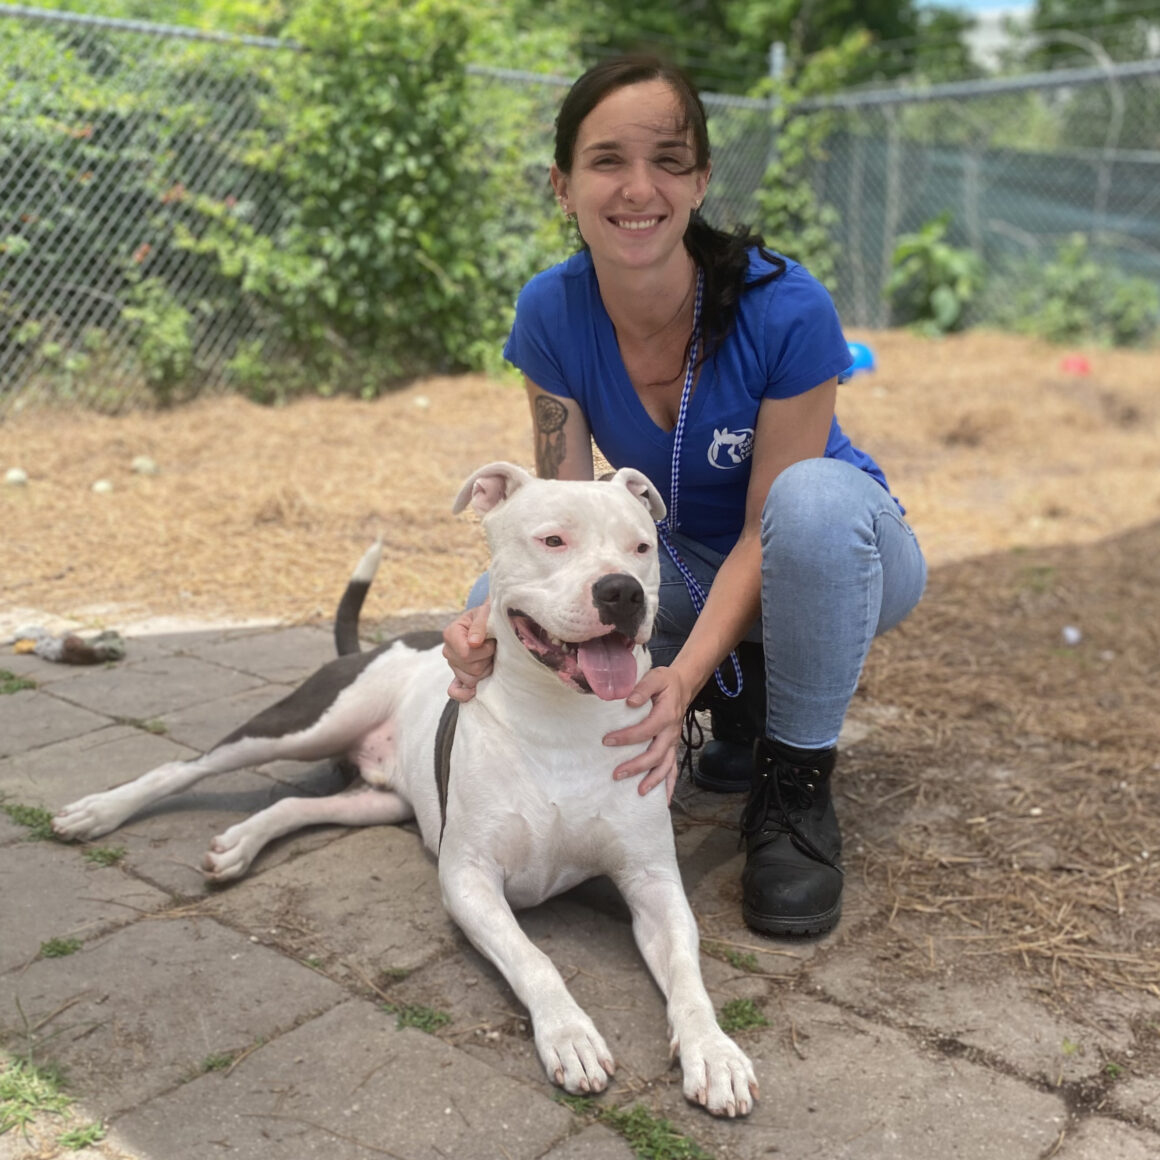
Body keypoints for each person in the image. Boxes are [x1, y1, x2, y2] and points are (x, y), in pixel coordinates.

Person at [442, 54, 926, 937]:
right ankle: (744, 701)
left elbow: (765, 528)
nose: (639, 188)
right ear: (563, 184)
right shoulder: (551, 311)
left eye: (668, 160)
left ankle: (795, 788)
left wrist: (681, 677)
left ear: (700, 181)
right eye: (607, 161)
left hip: (836, 552)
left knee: (811, 502)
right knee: (491, 603)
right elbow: (566, 504)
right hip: (681, 561)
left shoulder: (787, 305)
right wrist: (483, 628)